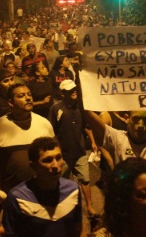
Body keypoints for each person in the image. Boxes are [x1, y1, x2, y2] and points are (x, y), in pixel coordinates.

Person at [2, 137, 83, 236]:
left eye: (58, 158)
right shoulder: (17, 198)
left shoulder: (73, 190)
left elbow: (78, 228)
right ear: (33, 166)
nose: (55, 165)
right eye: (48, 160)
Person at [0, 83, 55, 198]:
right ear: (10, 102)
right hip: (12, 193)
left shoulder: (44, 123)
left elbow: (54, 154)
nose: (28, 98)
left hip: (41, 190)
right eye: (21, 96)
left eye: (29, 94)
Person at [48, 80, 100, 219]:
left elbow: (87, 126)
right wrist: (56, 151)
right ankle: (59, 207)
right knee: (60, 181)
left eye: (75, 89)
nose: (74, 92)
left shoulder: (80, 107)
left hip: (80, 152)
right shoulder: (56, 109)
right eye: (71, 90)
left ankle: (89, 206)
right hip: (63, 154)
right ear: (63, 93)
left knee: (85, 180)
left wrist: (93, 142)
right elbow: (51, 130)